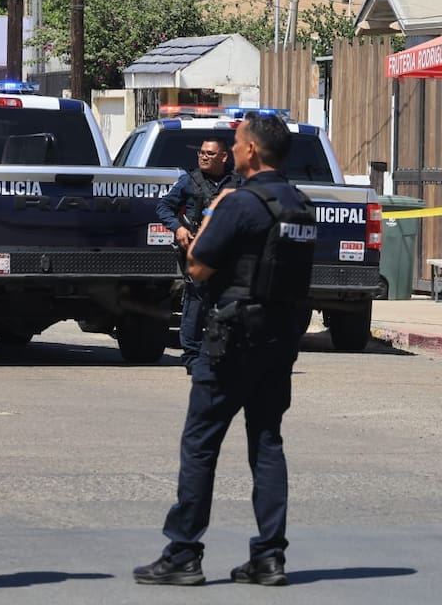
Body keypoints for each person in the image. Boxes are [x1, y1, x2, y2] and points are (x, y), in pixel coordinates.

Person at [135, 113, 315, 588]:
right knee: (267, 443)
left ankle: (183, 554)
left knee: (201, 445)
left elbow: (197, 266)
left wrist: (214, 210)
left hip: (232, 340)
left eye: (236, 143)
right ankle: (270, 557)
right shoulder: (300, 204)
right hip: (280, 341)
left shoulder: (239, 203)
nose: (231, 150)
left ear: (252, 151)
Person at [154, 138, 237, 370]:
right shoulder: (189, 181)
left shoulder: (238, 183)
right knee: (196, 303)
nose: (203, 157)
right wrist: (178, 228)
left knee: (227, 305)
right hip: (198, 251)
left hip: (229, 255)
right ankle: (192, 356)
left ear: (223, 157)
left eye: (210, 154)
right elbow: (163, 207)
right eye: (201, 153)